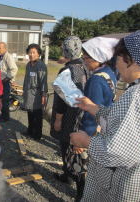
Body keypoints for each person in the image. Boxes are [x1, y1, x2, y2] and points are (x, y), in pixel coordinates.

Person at [70, 30, 140, 201]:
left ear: (130, 59)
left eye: (118, 58)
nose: (117, 64)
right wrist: (94, 108)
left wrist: (85, 141)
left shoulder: (138, 94)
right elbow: (121, 116)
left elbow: (119, 153)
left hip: (128, 185)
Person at [51, 36, 90, 200]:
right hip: (85, 116)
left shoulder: (66, 71)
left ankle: (80, 190)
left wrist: (58, 119)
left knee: (69, 149)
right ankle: (68, 176)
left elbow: (61, 100)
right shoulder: (87, 67)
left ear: (65, 51)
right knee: (79, 153)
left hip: (69, 116)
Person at [80, 37, 118, 137]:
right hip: (105, 124)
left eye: (86, 58)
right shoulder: (109, 72)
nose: (84, 62)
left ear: (97, 57)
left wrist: (85, 134)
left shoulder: (96, 80)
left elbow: (91, 110)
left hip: (94, 131)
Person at [23, 44, 47, 140]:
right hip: (28, 93)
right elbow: (26, 79)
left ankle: (37, 135)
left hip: (37, 93)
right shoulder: (28, 65)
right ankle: (30, 130)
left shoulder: (41, 66)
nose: (31, 55)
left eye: (34, 52)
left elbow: (44, 81)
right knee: (30, 112)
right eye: (30, 52)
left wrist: (43, 95)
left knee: (37, 114)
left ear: (38, 54)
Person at [0, 42, 18, 122]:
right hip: (1, 81)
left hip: (6, 82)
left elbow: (14, 69)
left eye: (0, 48)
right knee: (1, 98)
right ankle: (3, 115)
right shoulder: (1, 57)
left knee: (5, 100)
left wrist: (7, 78)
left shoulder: (8, 56)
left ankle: (5, 118)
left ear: (5, 48)